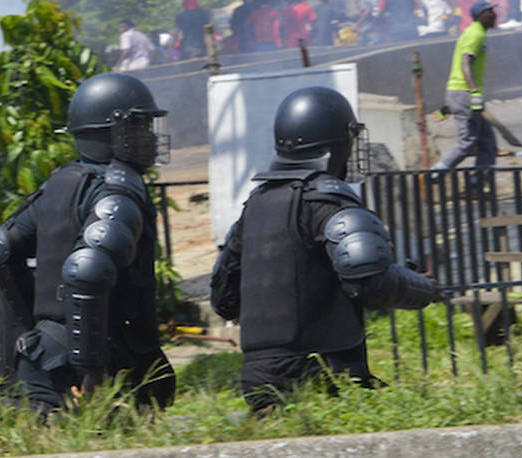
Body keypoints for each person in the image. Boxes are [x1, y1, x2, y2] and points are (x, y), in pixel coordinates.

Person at [210, 86, 442, 414]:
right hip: (324, 377)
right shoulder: (325, 201)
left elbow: (223, 299)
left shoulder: (255, 206)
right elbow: (370, 282)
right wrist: (427, 289)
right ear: (334, 145)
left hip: (259, 385)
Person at [0, 72, 176, 416]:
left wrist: (27, 339)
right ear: (113, 131)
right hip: (88, 370)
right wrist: (90, 371)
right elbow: (88, 271)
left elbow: (5, 248)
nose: (149, 138)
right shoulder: (117, 191)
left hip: (43, 360)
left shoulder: (60, 183)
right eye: (139, 127)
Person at [430, 0, 498, 185]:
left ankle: (480, 181)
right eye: (490, 12)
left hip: (462, 94)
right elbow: (465, 62)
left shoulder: (478, 33)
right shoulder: (475, 34)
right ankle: (436, 172)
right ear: (480, 15)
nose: (494, 14)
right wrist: (474, 92)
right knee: (468, 142)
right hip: (465, 94)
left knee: (487, 141)